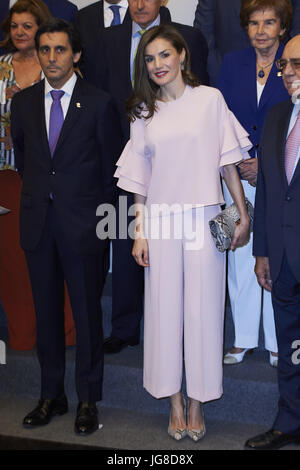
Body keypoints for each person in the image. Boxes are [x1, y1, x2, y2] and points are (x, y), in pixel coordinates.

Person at [115, 23, 251, 441]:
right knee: (163, 310)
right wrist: (139, 232)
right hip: (160, 221)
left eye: (164, 55)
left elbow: (227, 162)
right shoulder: (142, 111)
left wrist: (242, 213)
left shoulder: (210, 100)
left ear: (182, 56)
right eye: (149, 58)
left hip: (206, 217)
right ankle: (174, 401)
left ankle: (198, 401)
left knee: (204, 311)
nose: (157, 64)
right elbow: (139, 178)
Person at [10, 18, 123, 435]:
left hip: (85, 227)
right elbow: (26, 161)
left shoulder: (100, 103)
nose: (51, 58)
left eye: (60, 50)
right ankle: (51, 395)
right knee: (46, 314)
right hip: (39, 224)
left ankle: (88, 399)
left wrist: (104, 224)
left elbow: (114, 171)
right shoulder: (22, 104)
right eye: (45, 50)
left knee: (88, 316)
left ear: (76, 54)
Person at [83, 0, 209, 355]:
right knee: (128, 243)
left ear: (163, 1)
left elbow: (200, 95)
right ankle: (125, 327)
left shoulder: (189, 38)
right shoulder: (106, 40)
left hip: (179, 165)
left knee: (177, 249)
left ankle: (180, 327)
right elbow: (94, 99)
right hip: (125, 162)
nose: (139, 4)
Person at [218, 0, 293, 367]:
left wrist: (264, 161)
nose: (260, 30)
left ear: (282, 27)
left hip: (281, 173)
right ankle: (244, 337)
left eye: (269, 23)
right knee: (239, 252)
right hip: (237, 172)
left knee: (277, 253)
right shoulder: (232, 63)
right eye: (253, 23)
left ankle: (279, 339)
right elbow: (219, 119)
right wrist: (237, 161)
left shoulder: (293, 62)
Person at [245, 34, 300, 450]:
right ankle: (289, 421)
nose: (288, 73)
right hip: (281, 259)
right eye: (284, 66)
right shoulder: (278, 116)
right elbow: (266, 189)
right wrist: (261, 249)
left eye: (297, 64)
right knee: (291, 348)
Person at [0, 0, 54, 350]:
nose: (20, 32)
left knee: (47, 256)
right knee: (12, 262)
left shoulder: (55, 66)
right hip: (4, 175)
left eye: (27, 26)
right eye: (15, 25)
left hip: (43, 177)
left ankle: (60, 332)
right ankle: (21, 334)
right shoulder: (0, 67)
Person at [194, 0, 300, 86]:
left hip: (282, 78)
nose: (260, 31)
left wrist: (289, 71)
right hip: (224, 79)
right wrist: (220, 74)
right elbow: (203, 39)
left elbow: (296, 36)